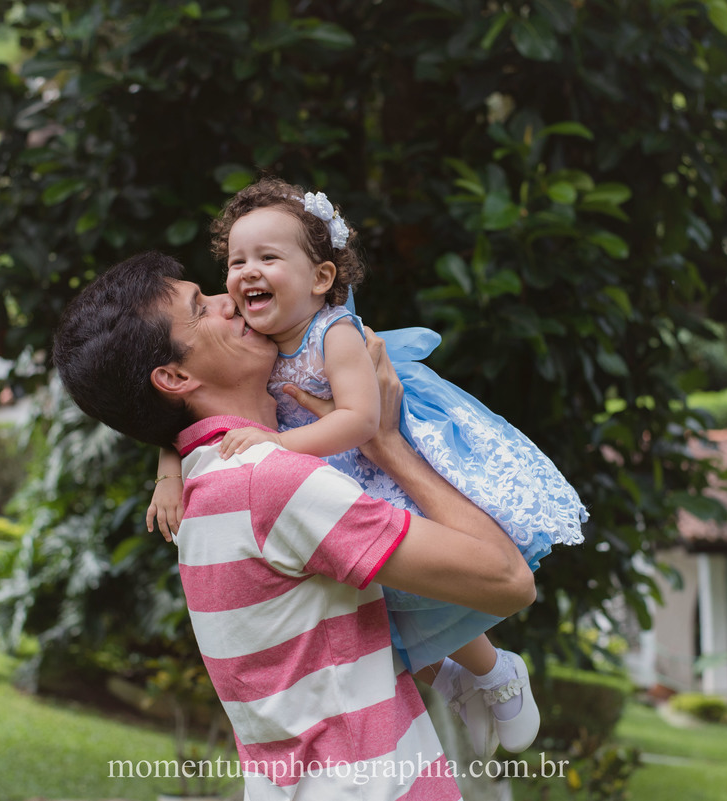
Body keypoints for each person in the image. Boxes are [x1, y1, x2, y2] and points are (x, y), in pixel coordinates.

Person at [52, 251, 536, 799]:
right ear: (174, 376)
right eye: (200, 306)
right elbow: (509, 580)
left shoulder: (205, 488)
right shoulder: (271, 483)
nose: (226, 297)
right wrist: (388, 445)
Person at [147, 177, 587, 756]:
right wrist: (167, 473)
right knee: (381, 605)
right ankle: (459, 680)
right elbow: (179, 419)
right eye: (236, 261)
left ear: (322, 278)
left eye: (268, 258)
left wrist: (274, 446)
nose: (245, 274)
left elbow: (359, 420)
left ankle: (498, 670)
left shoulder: (335, 334)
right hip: (328, 472)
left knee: (423, 586)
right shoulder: (250, 336)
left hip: (362, 460)